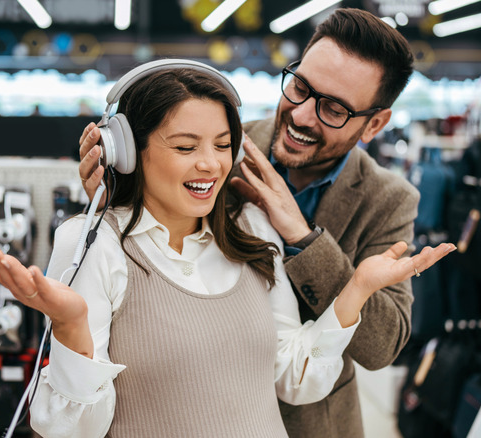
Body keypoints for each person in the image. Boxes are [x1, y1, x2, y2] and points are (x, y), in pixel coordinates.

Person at [0, 63, 453, 437]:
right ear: (127, 151)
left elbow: (295, 375)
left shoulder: (250, 227)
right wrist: (71, 328)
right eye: (186, 146)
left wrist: (356, 289)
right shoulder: (93, 242)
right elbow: (73, 430)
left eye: (224, 144)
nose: (210, 163)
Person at [78, 8, 420, 437]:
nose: (302, 115)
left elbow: (382, 345)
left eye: (333, 109)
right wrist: (116, 199)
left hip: (313, 423)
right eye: (300, 87)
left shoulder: (387, 200)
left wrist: (302, 238)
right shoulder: (219, 148)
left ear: (374, 124)